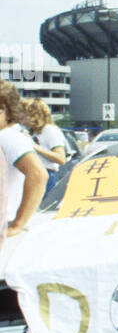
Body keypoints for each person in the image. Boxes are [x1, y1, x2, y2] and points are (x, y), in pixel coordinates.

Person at [0, 82, 48, 238]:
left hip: (5, 223)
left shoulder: (7, 137)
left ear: (8, 112)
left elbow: (38, 175)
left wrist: (17, 225)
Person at [24, 98, 69, 190]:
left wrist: (34, 146)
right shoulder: (32, 132)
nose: (19, 115)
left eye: (23, 112)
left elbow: (61, 158)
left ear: (33, 115)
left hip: (45, 175)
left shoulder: (50, 131)